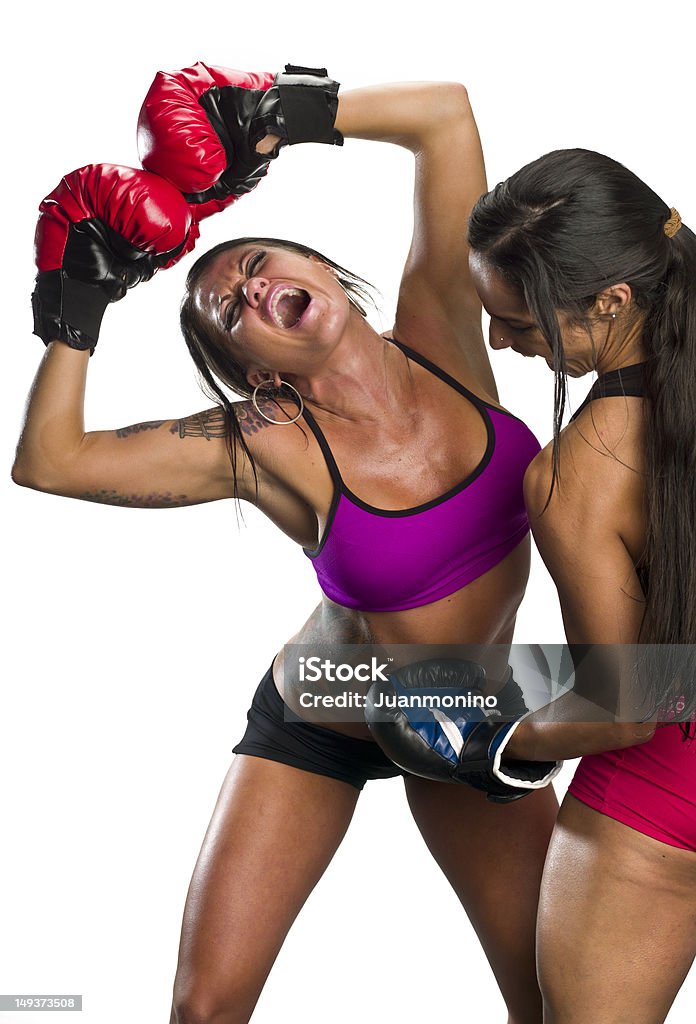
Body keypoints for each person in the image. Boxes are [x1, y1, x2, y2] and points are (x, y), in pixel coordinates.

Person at [14, 65, 558, 1024]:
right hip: (323, 715)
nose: (256, 286)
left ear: (321, 271)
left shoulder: (443, 324)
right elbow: (49, 462)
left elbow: (444, 116)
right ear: (251, 371)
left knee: (555, 1002)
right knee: (207, 1011)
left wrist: (278, 111)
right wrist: (76, 311)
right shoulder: (266, 444)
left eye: (261, 261)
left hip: (467, 714)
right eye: (231, 307)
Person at [466, 148, 696, 1024]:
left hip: (666, 787)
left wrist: (500, 743)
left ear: (611, 302)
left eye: (519, 324)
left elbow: (627, 705)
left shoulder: (582, 470)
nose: (499, 342)